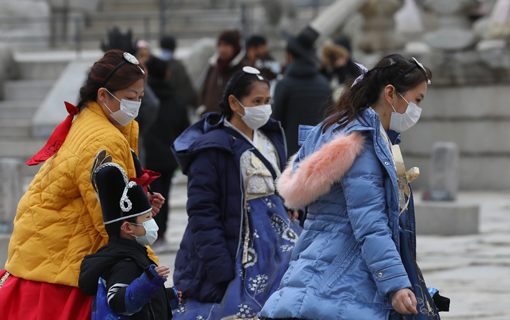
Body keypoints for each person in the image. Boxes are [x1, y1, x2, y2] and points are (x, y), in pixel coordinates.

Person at [259, 54, 444, 319]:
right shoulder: (362, 145)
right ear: (390, 94)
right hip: (343, 274)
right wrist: (395, 284)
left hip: (323, 268)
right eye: (417, 100)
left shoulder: (346, 129)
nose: (417, 109)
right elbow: (370, 223)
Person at [0, 50, 164, 319]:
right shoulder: (103, 138)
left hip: (48, 249)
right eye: (130, 98)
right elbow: (109, 220)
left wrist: (141, 205)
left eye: (140, 97)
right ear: (103, 95)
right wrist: (148, 267)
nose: (136, 104)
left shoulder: (91, 120)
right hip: (62, 258)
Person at [171, 66, 301, 319]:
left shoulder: (270, 138)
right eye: (256, 101)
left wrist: (295, 204)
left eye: (267, 101)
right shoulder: (213, 148)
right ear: (234, 102)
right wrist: (220, 268)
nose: (264, 107)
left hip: (281, 245)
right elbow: (202, 212)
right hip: (238, 251)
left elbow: (284, 183)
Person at [79, 154, 180, 319]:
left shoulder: (134, 253)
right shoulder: (126, 262)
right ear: (128, 227)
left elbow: (145, 303)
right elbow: (120, 303)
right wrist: (150, 282)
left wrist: (168, 296)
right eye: (147, 218)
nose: (152, 223)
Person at [144, 56, 190, 250]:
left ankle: (151, 232)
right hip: (169, 158)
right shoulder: (177, 99)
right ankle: (161, 232)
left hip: (148, 155)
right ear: (167, 74)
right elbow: (185, 130)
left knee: (149, 196)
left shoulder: (145, 98)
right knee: (164, 196)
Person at [272, 26, 331, 157]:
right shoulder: (324, 84)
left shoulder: (284, 84)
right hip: (318, 152)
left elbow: (276, 122)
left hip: (289, 156)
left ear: (290, 57)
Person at [197, 29, 250, 117]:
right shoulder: (213, 66)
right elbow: (204, 91)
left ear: (235, 47)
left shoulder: (244, 69)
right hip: (210, 123)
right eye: (220, 45)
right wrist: (202, 109)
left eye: (226, 45)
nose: (222, 49)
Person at [160, 35, 198, 111]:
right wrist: (196, 102)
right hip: (174, 109)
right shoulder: (178, 66)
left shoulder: (153, 64)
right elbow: (186, 89)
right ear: (174, 48)